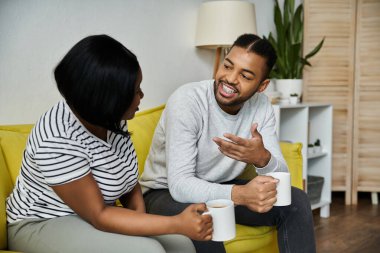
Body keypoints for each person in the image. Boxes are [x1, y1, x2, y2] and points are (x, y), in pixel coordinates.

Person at [6, 34, 213, 253]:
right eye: (135, 91)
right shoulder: (56, 139)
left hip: (95, 215)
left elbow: (129, 183)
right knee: (148, 250)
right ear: (108, 101)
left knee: (181, 245)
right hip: (42, 221)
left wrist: (144, 226)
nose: (142, 95)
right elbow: (100, 215)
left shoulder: (110, 119)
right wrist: (176, 223)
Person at [140, 34, 316, 253]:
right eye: (228, 66)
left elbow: (279, 178)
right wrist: (241, 195)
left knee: (296, 201)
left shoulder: (261, 106)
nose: (230, 79)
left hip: (221, 185)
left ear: (262, 86)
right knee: (206, 220)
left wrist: (263, 159)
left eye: (246, 75)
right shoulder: (187, 100)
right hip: (163, 193)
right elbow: (180, 186)